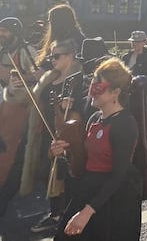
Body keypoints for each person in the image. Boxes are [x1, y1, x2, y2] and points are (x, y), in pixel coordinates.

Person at [50, 58, 142, 240]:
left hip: (113, 199)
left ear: (115, 92)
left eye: (98, 86)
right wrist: (66, 152)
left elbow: (119, 175)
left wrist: (87, 212)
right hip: (88, 188)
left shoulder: (125, 124)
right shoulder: (94, 118)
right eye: (91, 83)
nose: (91, 91)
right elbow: (86, 159)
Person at [22, 40, 83, 233]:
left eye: (56, 56)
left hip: (70, 133)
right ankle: (56, 212)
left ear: (70, 56)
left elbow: (89, 104)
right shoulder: (50, 79)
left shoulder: (79, 78)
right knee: (50, 171)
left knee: (67, 172)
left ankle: (66, 212)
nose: (52, 60)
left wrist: (74, 104)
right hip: (47, 131)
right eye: (51, 56)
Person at [0, 17, 39, 217]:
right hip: (4, 106)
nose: (1, 35)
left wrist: (21, 82)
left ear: (15, 33)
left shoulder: (26, 52)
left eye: (5, 31)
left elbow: (37, 77)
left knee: (9, 150)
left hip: (19, 109)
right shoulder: (2, 51)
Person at [35, 4, 86, 74]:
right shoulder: (62, 38)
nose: (50, 25)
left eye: (51, 21)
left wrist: (42, 73)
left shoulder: (75, 41)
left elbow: (62, 67)